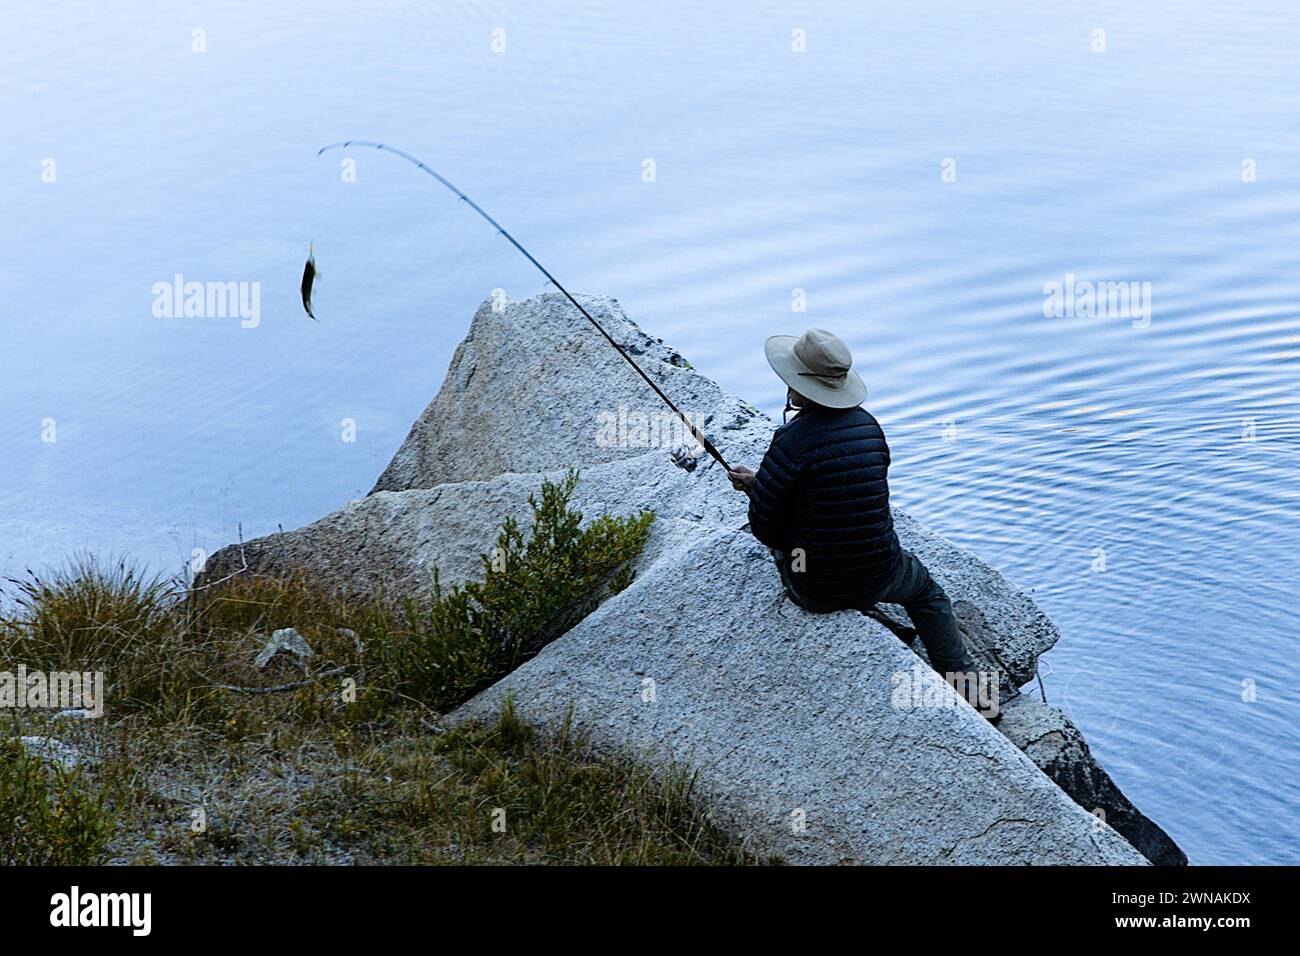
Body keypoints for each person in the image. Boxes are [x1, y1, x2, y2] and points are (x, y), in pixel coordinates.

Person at [726, 328, 998, 721]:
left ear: (796, 385)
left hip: (815, 585)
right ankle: (975, 696)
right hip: (880, 572)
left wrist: (760, 489)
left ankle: (869, 614)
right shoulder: (869, 427)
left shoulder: (791, 439)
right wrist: (762, 483)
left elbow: (766, 530)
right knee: (927, 594)